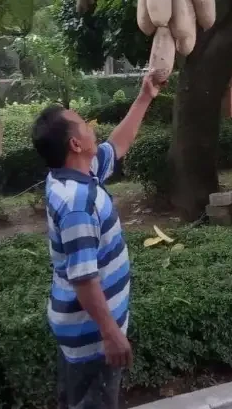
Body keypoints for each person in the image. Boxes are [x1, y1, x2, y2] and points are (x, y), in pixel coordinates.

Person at [31, 72, 166, 409]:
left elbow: (117, 146)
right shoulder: (78, 202)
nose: (91, 126)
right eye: (83, 124)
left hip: (78, 331)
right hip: (90, 337)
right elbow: (84, 276)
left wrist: (145, 96)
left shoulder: (77, 175)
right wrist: (111, 333)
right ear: (75, 144)